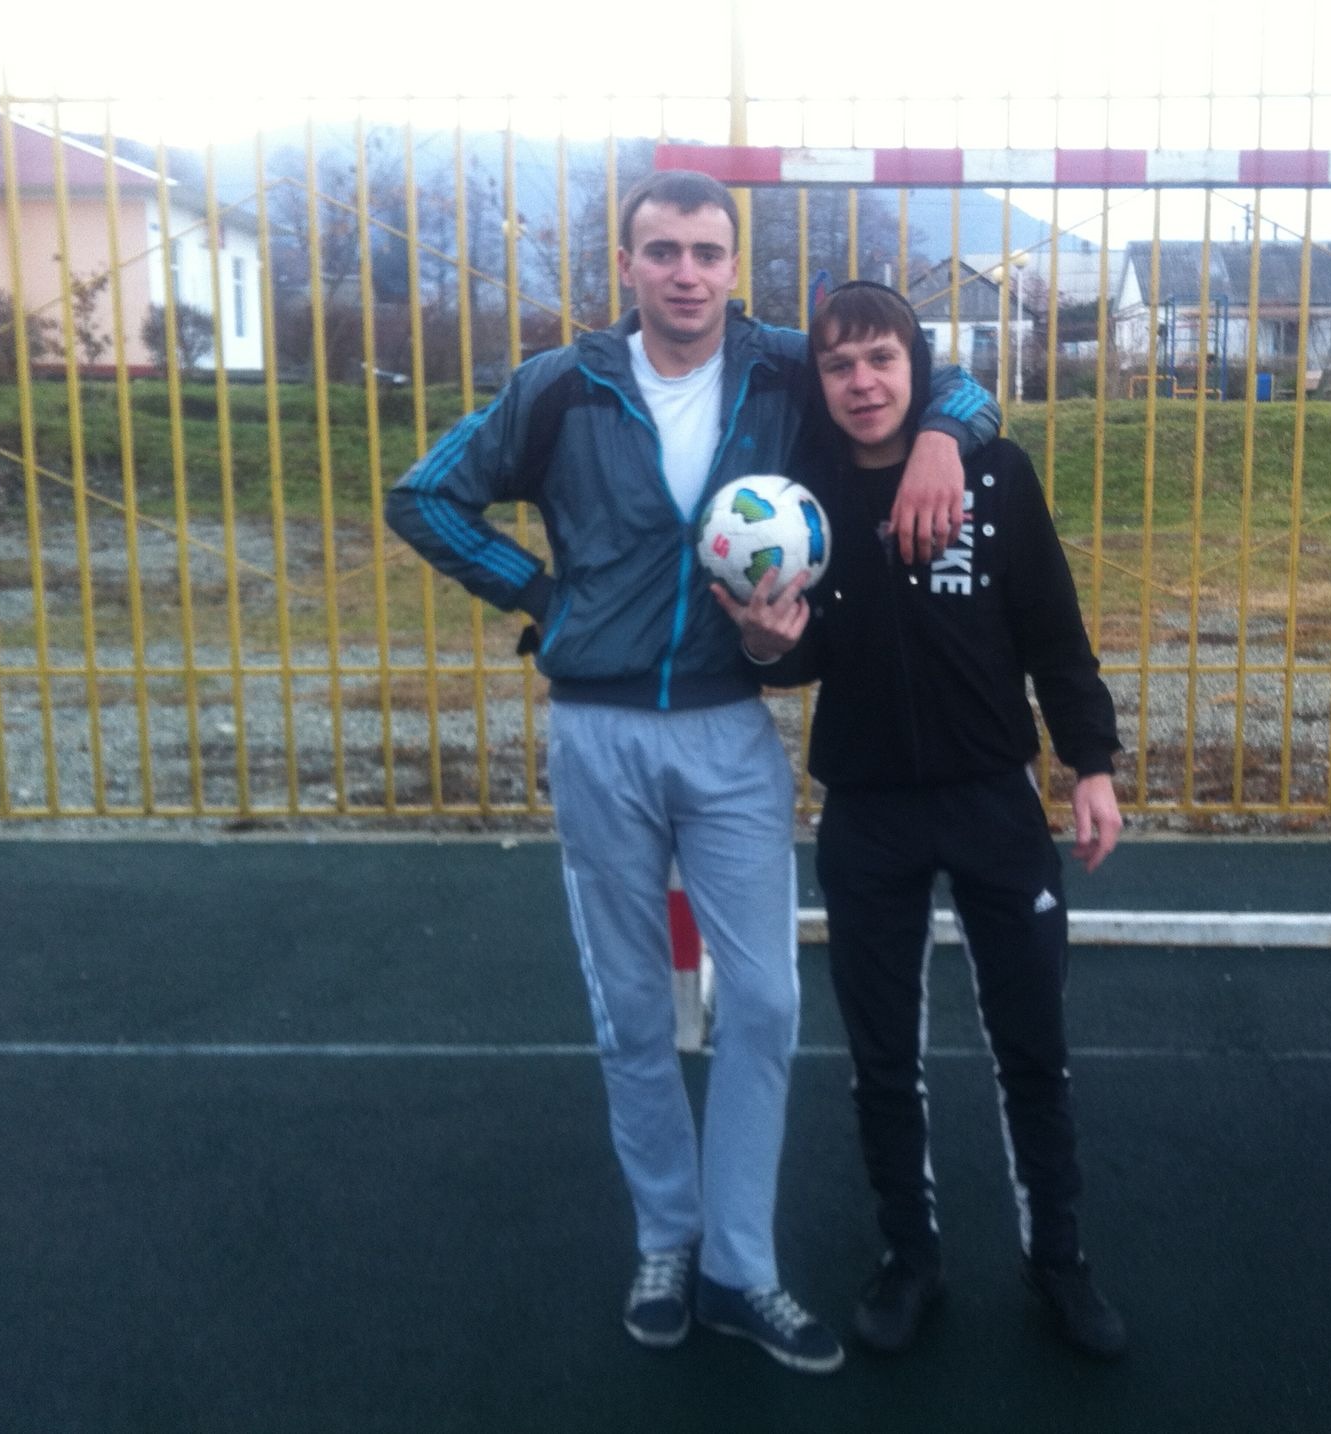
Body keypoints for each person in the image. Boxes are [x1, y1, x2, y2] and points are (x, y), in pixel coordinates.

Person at [383, 174, 998, 1376]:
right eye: (662, 250)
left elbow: (950, 384)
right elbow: (425, 496)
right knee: (631, 1010)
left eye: (707, 252)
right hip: (599, 733)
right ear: (627, 264)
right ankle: (667, 1241)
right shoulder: (562, 385)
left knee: (763, 1004)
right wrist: (542, 595)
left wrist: (939, 439)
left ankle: (740, 1268)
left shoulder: (783, 368)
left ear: (732, 266)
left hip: (727, 731)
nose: (686, 272)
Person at [719, 281, 1129, 1360]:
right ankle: (910, 1257)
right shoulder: (798, 498)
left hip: (994, 799)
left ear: (918, 368)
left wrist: (1091, 762)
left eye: (882, 360)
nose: (862, 383)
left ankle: (1059, 1260)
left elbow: (1052, 629)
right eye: (839, 365)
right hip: (868, 811)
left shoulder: (993, 472)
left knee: (1031, 1044)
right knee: (882, 1054)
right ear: (820, 380)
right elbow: (797, 656)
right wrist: (763, 643)